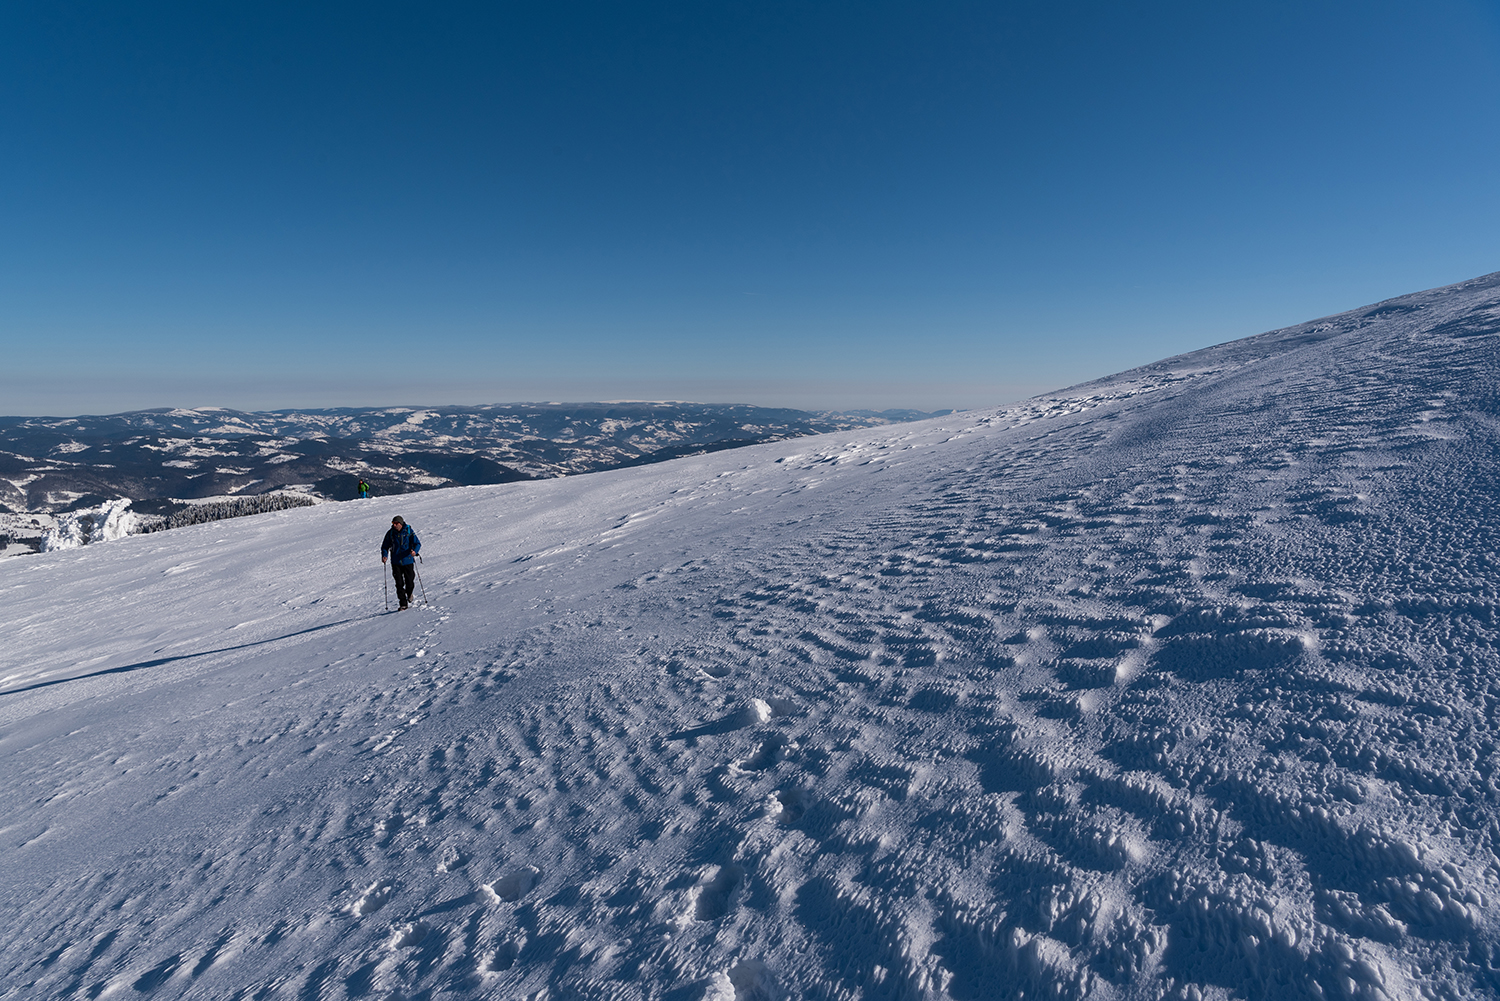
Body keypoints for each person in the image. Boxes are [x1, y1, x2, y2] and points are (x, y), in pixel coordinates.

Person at [381, 516, 421, 609]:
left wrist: (414, 551)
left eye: (396, 523)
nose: (394, 525)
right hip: (395, 562)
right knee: (399, 584)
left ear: (401, 523)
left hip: (408, 560)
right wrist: (384, 555)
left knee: (409, 581)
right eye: (393, 523)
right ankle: (403, 604)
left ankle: (409, 593)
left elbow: (417, 543)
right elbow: (384, 546)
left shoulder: (408, 531)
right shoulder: (390, 533)